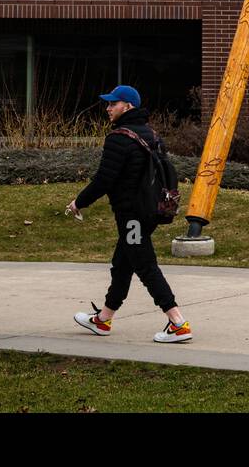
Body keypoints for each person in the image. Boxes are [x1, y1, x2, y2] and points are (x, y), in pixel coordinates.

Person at [68, 85, 192, 343]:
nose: (108, 108)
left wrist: (79, 202)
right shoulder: (152, 135)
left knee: (145, 266)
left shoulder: (119, 138)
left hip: (132, 216)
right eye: (108, 104)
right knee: (122, 265)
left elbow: (104, 180)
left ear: (128, 106)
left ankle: (177, 322)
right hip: (151, 212)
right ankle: (103, 320)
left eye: (113, 104)